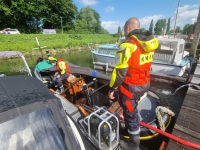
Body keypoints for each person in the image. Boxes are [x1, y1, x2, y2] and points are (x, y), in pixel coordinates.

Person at [108, 17, 159, 150]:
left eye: (125, 29)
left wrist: (111, 88)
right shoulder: (150, 43)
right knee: (133, 105)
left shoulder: (128, 45)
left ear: (127, 28)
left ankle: (133, 145)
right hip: (145, 83)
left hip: (131, 87)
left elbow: (119, 73)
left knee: (129, 114)